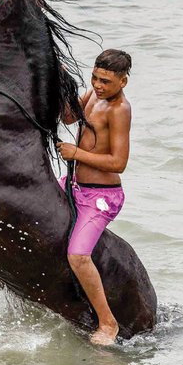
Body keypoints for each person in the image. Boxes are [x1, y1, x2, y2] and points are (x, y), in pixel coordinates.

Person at [56, 49, 132, 345]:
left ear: (123, 81)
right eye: (95, 78)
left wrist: (76, 153)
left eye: (106, 81)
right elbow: (69, 116)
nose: (99, 85)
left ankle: (108, 323)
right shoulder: (93, 95)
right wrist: (64, 82)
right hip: (74, 185)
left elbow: (119, 162)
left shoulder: (119, 110)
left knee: (78, 256)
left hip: (101, 197)